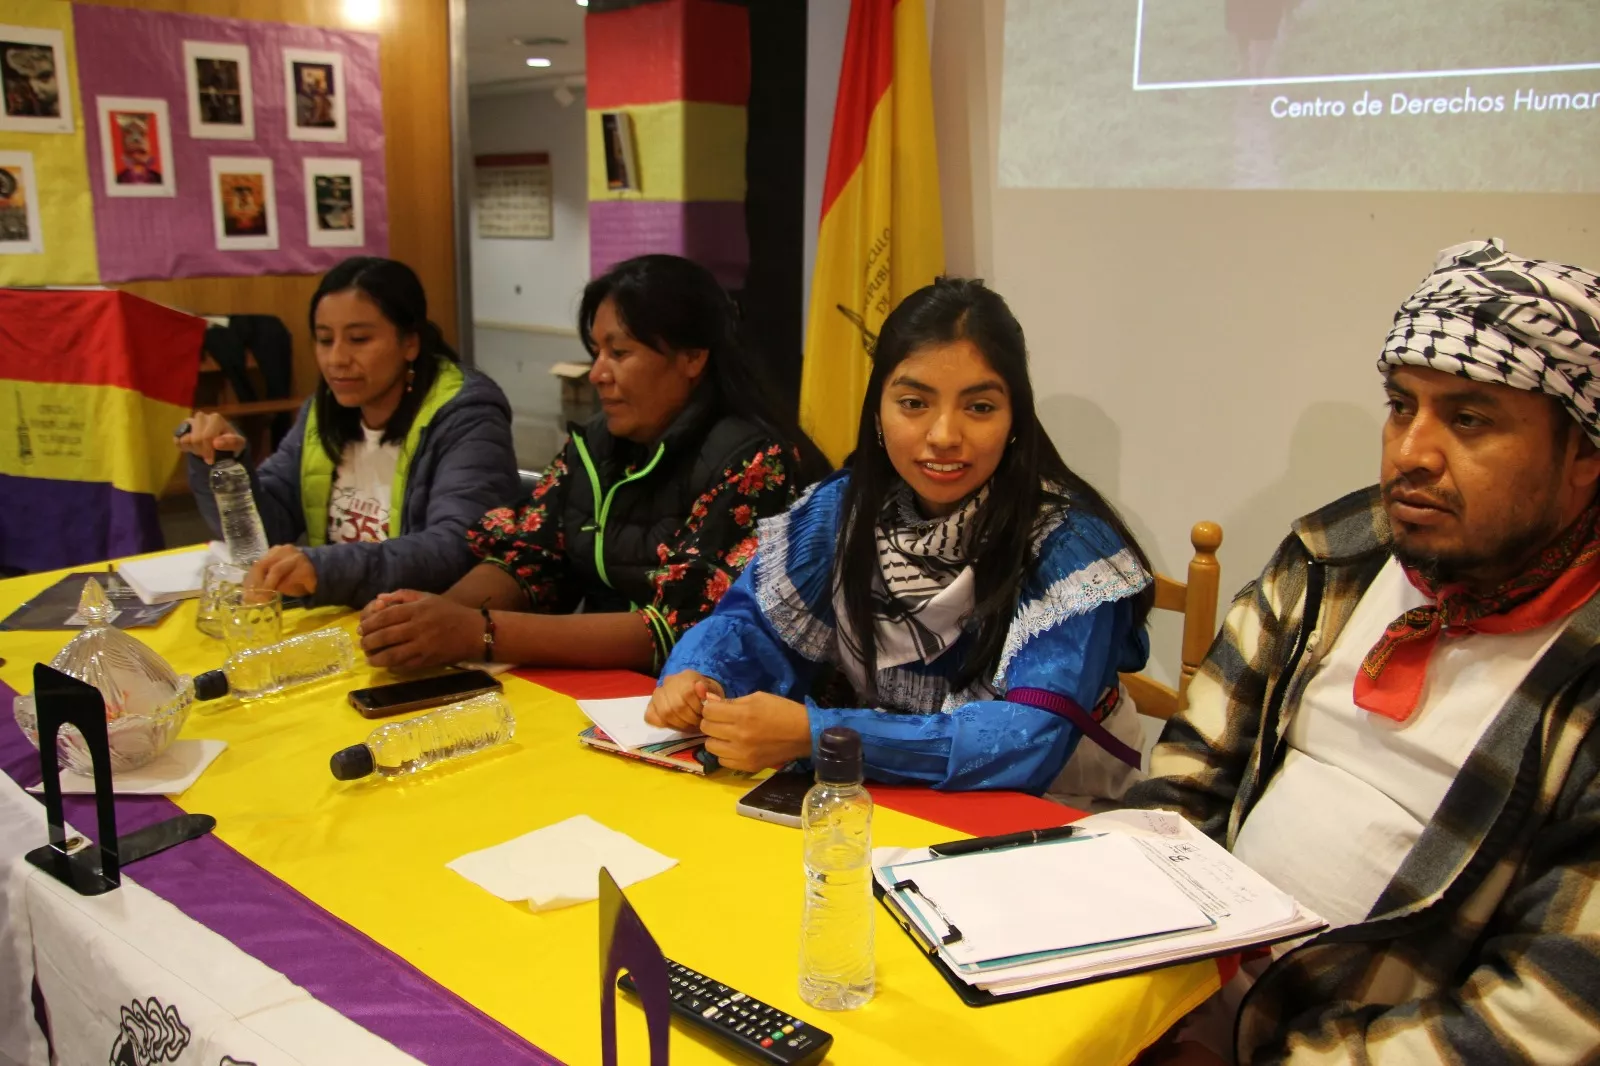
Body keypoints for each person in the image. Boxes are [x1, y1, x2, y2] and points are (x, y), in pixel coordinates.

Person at [1128, 239, 1600, 1066]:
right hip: (1177, 1003)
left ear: (1584, 457)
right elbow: (1182, 782)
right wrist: (1137, 993)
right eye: (1401, 405)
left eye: (1470, 418)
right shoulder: (1335, 556)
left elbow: (1546, 1018)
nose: (1411, 453)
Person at [646, 277, 1155, 792]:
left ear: (1015, 418)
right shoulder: (842, 511)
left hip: (1062, 804)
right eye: (914, 403)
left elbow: (1028, 740)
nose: (944, 436)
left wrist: (821, 734)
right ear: (878, 412)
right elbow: (754, 624)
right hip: (891, 786)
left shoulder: (1067, 548)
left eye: (979, 407)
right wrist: (700, 677)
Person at [357, 254, 831, 672]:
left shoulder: (753, 461)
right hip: (607, 693)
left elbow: (679, 630)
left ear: (693, 358)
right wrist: (426, 618)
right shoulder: (597, 443)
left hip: (710, 705)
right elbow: (531, 558)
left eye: (619, 353)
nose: (598, 374)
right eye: (596, 352)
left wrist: (478, 633)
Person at [177, 257, 519, 609]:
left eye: (358, 339)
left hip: (424, 626)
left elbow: (459, 545)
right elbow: (264, 535)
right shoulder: (323, 410)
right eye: (324, 340)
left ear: (410, 343)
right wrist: (223, 467)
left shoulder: (467, 416)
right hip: (340, 619)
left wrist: (325, 570)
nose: (336, 359)